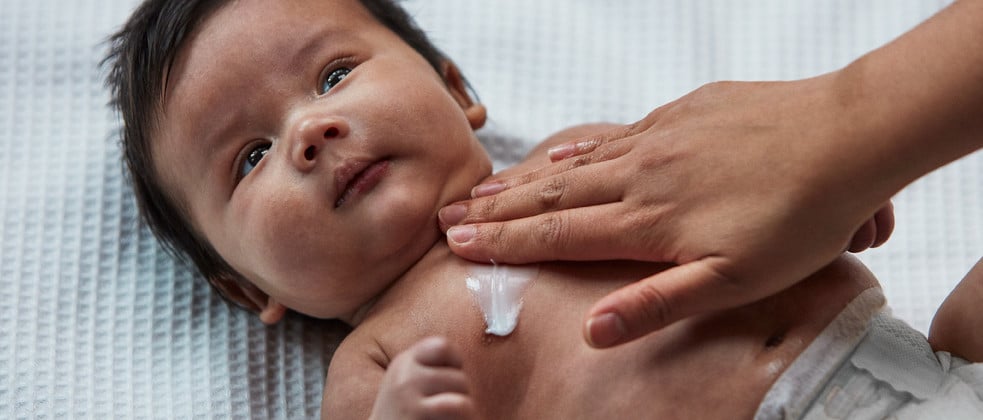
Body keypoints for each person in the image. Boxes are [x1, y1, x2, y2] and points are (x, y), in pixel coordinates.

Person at [104, 0, 983, 418]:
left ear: (456, 90)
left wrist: (835, 211)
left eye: (334, 75)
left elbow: (749, 198)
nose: (312, 130)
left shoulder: (588, 150)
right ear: (241, 285)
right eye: (250, 157)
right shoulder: (378, 361)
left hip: (928, 373)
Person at [436, 0, 983, 349]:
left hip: (940, 372)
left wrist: (834, 163)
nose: (343, 126)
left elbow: (720, 199)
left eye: (345, 72)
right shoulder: (372, 353)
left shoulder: (574, 158)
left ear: (455, 91)